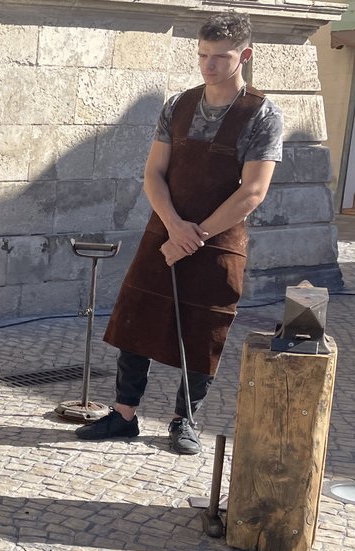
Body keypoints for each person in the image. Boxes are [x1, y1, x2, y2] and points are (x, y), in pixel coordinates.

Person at [76, 12, 282, 454]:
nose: (208, 65)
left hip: (220, 241)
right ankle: (124, 415)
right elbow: (153, 174)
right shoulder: (179, 105)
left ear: (244, 56)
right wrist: (173, 226)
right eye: (203, 55)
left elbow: (253, 191)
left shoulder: (261, 114)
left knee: (205, 329)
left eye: (220, 57)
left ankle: (183, 420)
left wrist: (196, 235)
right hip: (164, 231)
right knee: (137, 319)